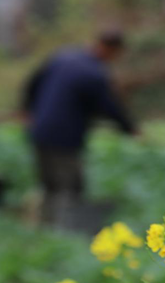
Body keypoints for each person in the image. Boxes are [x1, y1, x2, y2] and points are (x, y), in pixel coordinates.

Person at [21, 30, 137, 229]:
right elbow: (109, 107)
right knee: (71, 186)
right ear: (109, 49)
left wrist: (28, 110)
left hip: (39, 130)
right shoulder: (94, 74)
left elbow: (32, 83)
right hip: (65, 138)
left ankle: (42, 226)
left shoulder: (62, 57)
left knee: (48, 183)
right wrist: (130, 129)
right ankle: (64, 232)